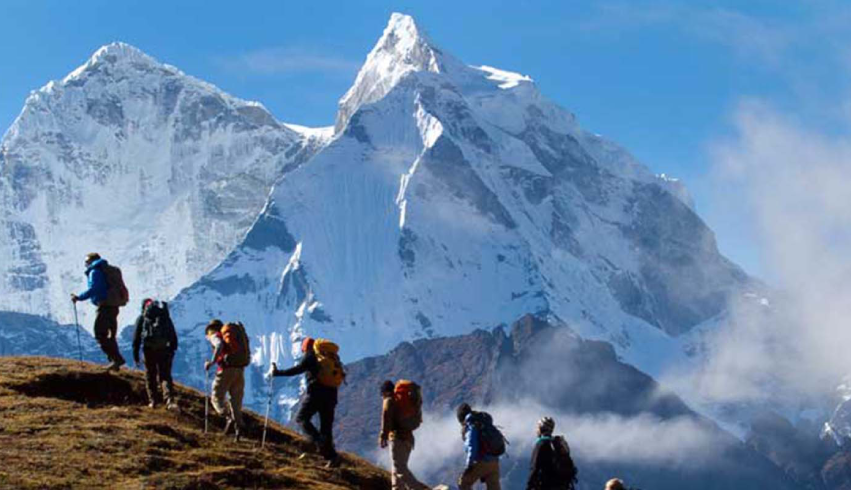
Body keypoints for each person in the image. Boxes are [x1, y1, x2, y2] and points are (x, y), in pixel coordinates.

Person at [272, 337, 343, 468]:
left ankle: (318, 442)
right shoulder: (329, 357)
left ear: (304, 347)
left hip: (316, 394)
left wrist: (278, 373)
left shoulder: (310, 356)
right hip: (332, 395)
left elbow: (297, 369)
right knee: (326, 427)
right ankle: (332, 457)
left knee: (301, 418)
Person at [71, 253, 127, 371]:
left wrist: (79, 297)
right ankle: (115, 363)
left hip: (105, 305)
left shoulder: (95, 272)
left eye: (86, 262)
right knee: (111, 335)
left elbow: (94, 289)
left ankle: (116, 359)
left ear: (91, 261)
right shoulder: (109, 270)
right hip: (114, 306)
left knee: (100, 333)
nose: (86, 265)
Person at [379, 380, 429, 490]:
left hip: (397, 438)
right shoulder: (401, 402)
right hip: (408, 439)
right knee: (396, 469)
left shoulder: (389, 400)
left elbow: (386, 417)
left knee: (400, 468)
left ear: (385, 392)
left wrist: (383, 435)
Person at [132, 298, 178, 410]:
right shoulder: (164, 317)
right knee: (165, 375)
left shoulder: (142, 318)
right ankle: (169, 400)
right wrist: (172, 350)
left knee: (150, 375)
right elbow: (173, 335)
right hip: (165, 349)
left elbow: (136, 339)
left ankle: (153, 401)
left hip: (148, 350)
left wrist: (136, 356)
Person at [204, 320, 246, 440]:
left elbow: (219, 345)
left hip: (226, 370)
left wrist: (212, 362)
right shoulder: (232, 338)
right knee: (236, 402)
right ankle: (238, 431)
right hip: (239, 370)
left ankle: (228, 417)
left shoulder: (215, 335)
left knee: (216, 398)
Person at [457, 403, 502, 490]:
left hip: (482, 461)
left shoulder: (471, 424)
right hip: (494, 461)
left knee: (463, 482)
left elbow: (472, 446)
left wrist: (469, 465)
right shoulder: (483, 421)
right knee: (494, 487)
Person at [526, 417, 578, 490]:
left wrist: (529, 486)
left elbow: (535, 468)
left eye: (538, 427)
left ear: (541, 428)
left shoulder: (541, 444)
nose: (536, 430)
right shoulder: (557, 445)